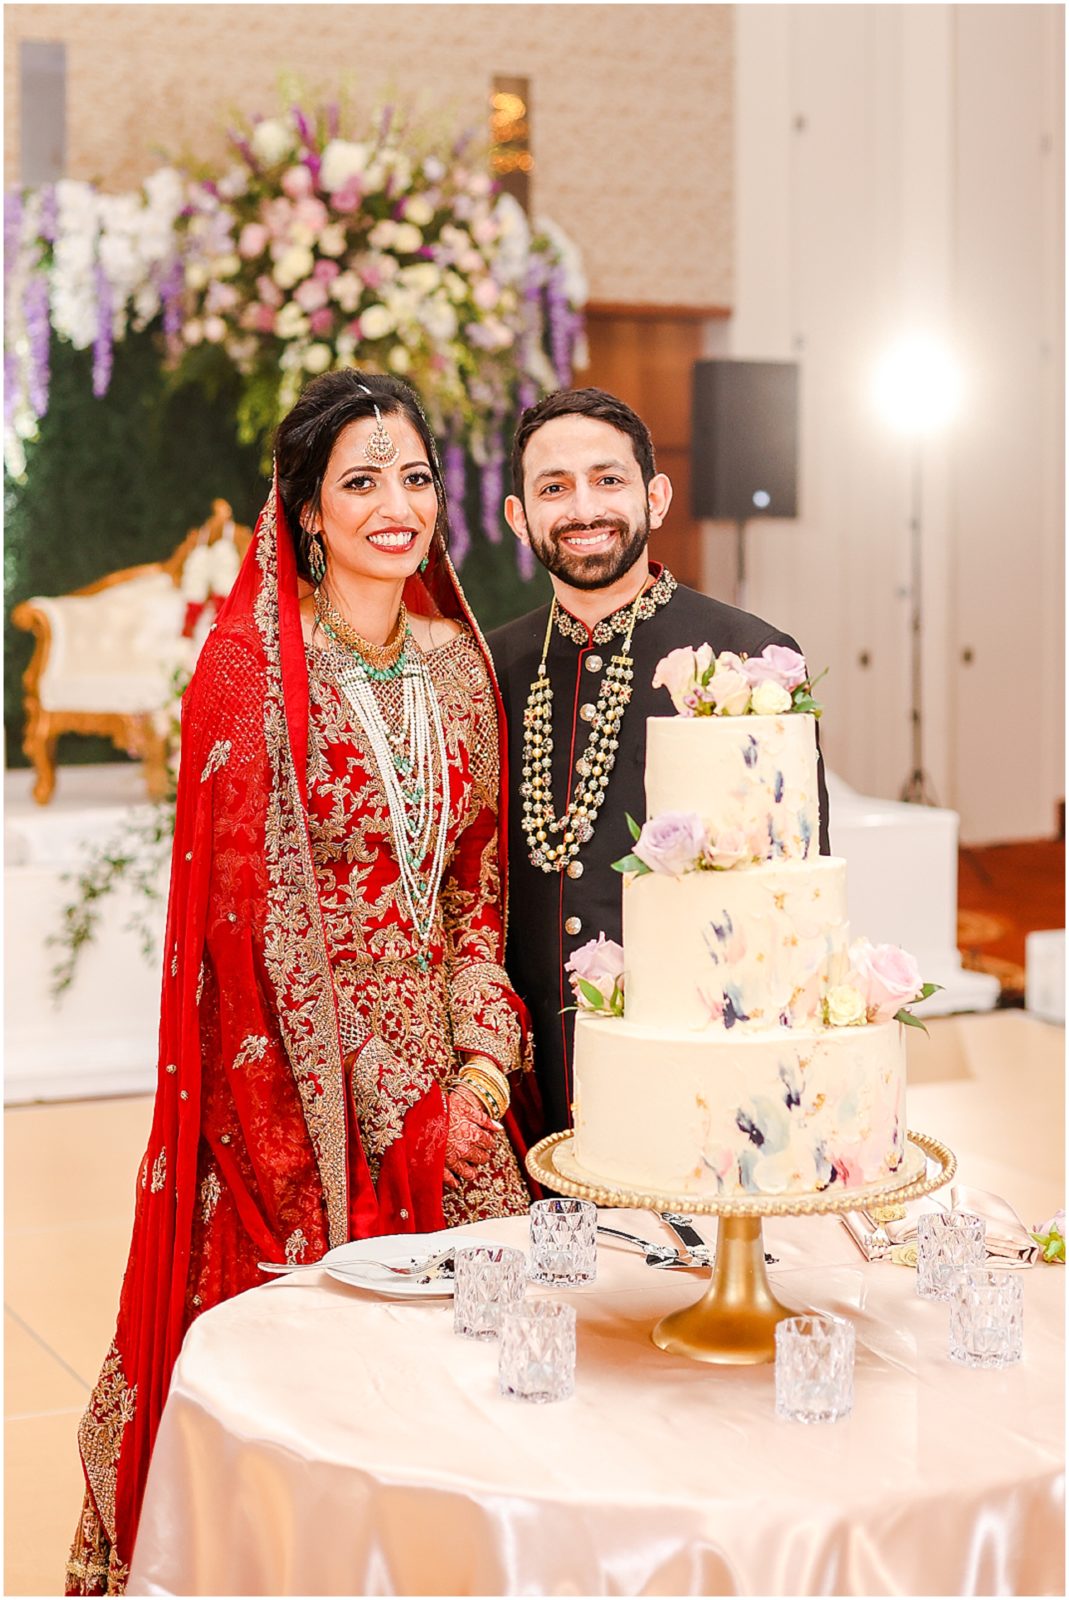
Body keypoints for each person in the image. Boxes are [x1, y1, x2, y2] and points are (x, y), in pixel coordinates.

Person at [66, 372, 537, 1595]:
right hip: (298, 1101)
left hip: (455, 1088)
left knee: (489, 1411)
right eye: (363, 481)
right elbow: (244, 928)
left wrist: (483, 1064)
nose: (399, 506)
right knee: (331, 1422)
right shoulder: (249, 673)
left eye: (418, 477)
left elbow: (473, 889)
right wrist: (375, 1098)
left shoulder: (456, 665)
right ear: (308, 513)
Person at [488, 387, 830, 1136]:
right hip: (529, 1082)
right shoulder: (490, 667)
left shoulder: (747, 657)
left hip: (697, 1075)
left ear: (655, 495)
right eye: (553, 487)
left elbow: (789, 890)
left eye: (608, 480)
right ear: (518, 517)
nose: (583, 508)